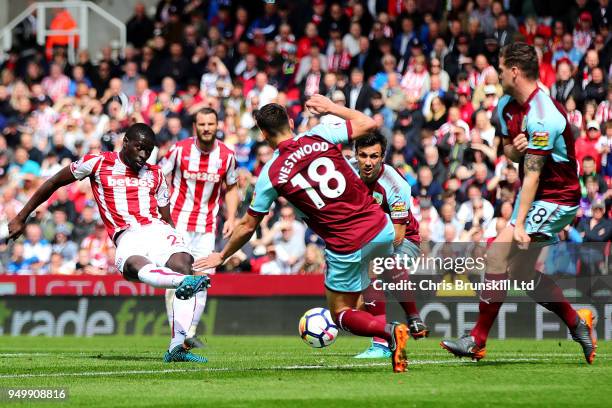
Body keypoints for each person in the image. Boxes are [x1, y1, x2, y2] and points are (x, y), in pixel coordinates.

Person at [195, 96, 410, 372]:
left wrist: (222, 255)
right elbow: (368, 123)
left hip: (345, 242)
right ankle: (387, 336)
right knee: (364, 287)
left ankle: (388, 332)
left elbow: (248, 226)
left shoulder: (270, 174)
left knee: (341, 312)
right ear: (291, 123)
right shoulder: (320, 134)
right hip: (380, 226)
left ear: (262, 134)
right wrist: (332, 108)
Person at [440, 43, 596, 364]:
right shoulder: (506, 106)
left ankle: (476, 340)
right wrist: (517, 149)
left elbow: (534, 175)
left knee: (496, 255)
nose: (496, 74)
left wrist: (520, 222)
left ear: (514, 70)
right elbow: (509, 152)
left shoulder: (544, 115)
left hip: (558, 198)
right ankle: (578, 323)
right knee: (522, 275)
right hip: (538, 196)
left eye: (499, 68)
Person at [7, 123, 210, 363]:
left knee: (183, 262)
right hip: (126, 234)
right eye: (139, 148)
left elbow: (165, 217)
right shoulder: (97, 162)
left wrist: (177, 242)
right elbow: (53, 183)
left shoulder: (155, 174)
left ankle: (177, 345)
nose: (143, 155)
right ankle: (183, 283)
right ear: (125, 142)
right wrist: (22, 216)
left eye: (148, 150)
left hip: (157, 228)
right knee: (134, 266)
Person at [160, 108, 239, 349]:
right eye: (202, 124)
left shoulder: (226, 155)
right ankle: (178, 332)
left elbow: (232, 187)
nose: (206, 128)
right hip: (178, 224)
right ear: (195, 126)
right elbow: (159, 177)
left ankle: (189, 333)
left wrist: (232, 217)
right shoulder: (180, 150)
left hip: (206, 227)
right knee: (177, 278)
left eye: (211, 124)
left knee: (203, 280)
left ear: (218, 125)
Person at [351, 132, 428, 359]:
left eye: (374, 156)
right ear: (355, 155)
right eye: (363, 155)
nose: (367, 162)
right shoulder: (348, 175)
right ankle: (393, 328)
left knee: (381, 263)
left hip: (406, 242)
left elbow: (397, 235)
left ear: (382, 156)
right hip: (367, 242)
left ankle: (387, 339)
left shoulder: (395, 185)